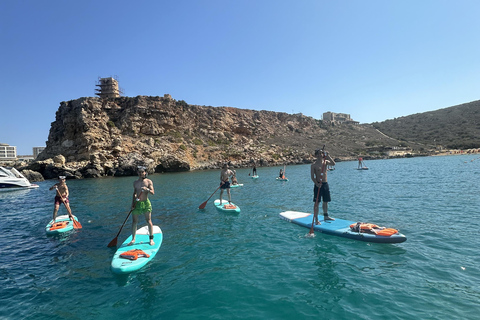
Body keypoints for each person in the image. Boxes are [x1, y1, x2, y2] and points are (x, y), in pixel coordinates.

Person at [129, 167, 155, 246]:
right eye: (139, 172)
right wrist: (133, 204)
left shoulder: (148, 181)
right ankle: (133, 239)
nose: (141, 173)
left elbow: (153, 192)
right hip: (137, 203)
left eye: (142, 172)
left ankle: (151, 239)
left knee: (148, 221)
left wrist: (147, 189)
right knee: (134, 222)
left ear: (145, 173)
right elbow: (134, 193)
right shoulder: (135, 182)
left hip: (146, 203)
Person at [311, 149, 336, 225]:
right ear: (315, 155)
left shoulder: (325, 162)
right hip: (318, 184)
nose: (319, 155)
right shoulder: (313, 165)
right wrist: (316, 183)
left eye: (320, 154)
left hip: (325, 184)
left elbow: (333, 164)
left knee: (326, 201)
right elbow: (312, 177)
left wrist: (328, 156)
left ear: (322, 155)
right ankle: (316, 219)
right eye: (317, 154)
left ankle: (326, 216)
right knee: (317, 203)